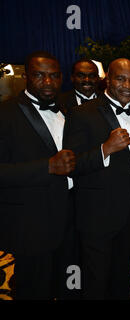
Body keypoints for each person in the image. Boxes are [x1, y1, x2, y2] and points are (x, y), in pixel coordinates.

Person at [63, 58, 130, 299]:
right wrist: (105, 149)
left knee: (123, 271)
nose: (127, 85)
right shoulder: (81, 114)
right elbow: (73, 165)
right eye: (120, 78)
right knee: (96, 277)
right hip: (97, 212)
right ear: (108, 80)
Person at [0, 51, 77, 299]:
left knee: (66, 281)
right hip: (31, 221)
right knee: (33, 286)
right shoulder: (5, 113)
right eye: (39, 75)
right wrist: (47, 167)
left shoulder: (67, 109)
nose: (47, 82)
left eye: (54, 76)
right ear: (26, 76)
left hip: (70, 215)